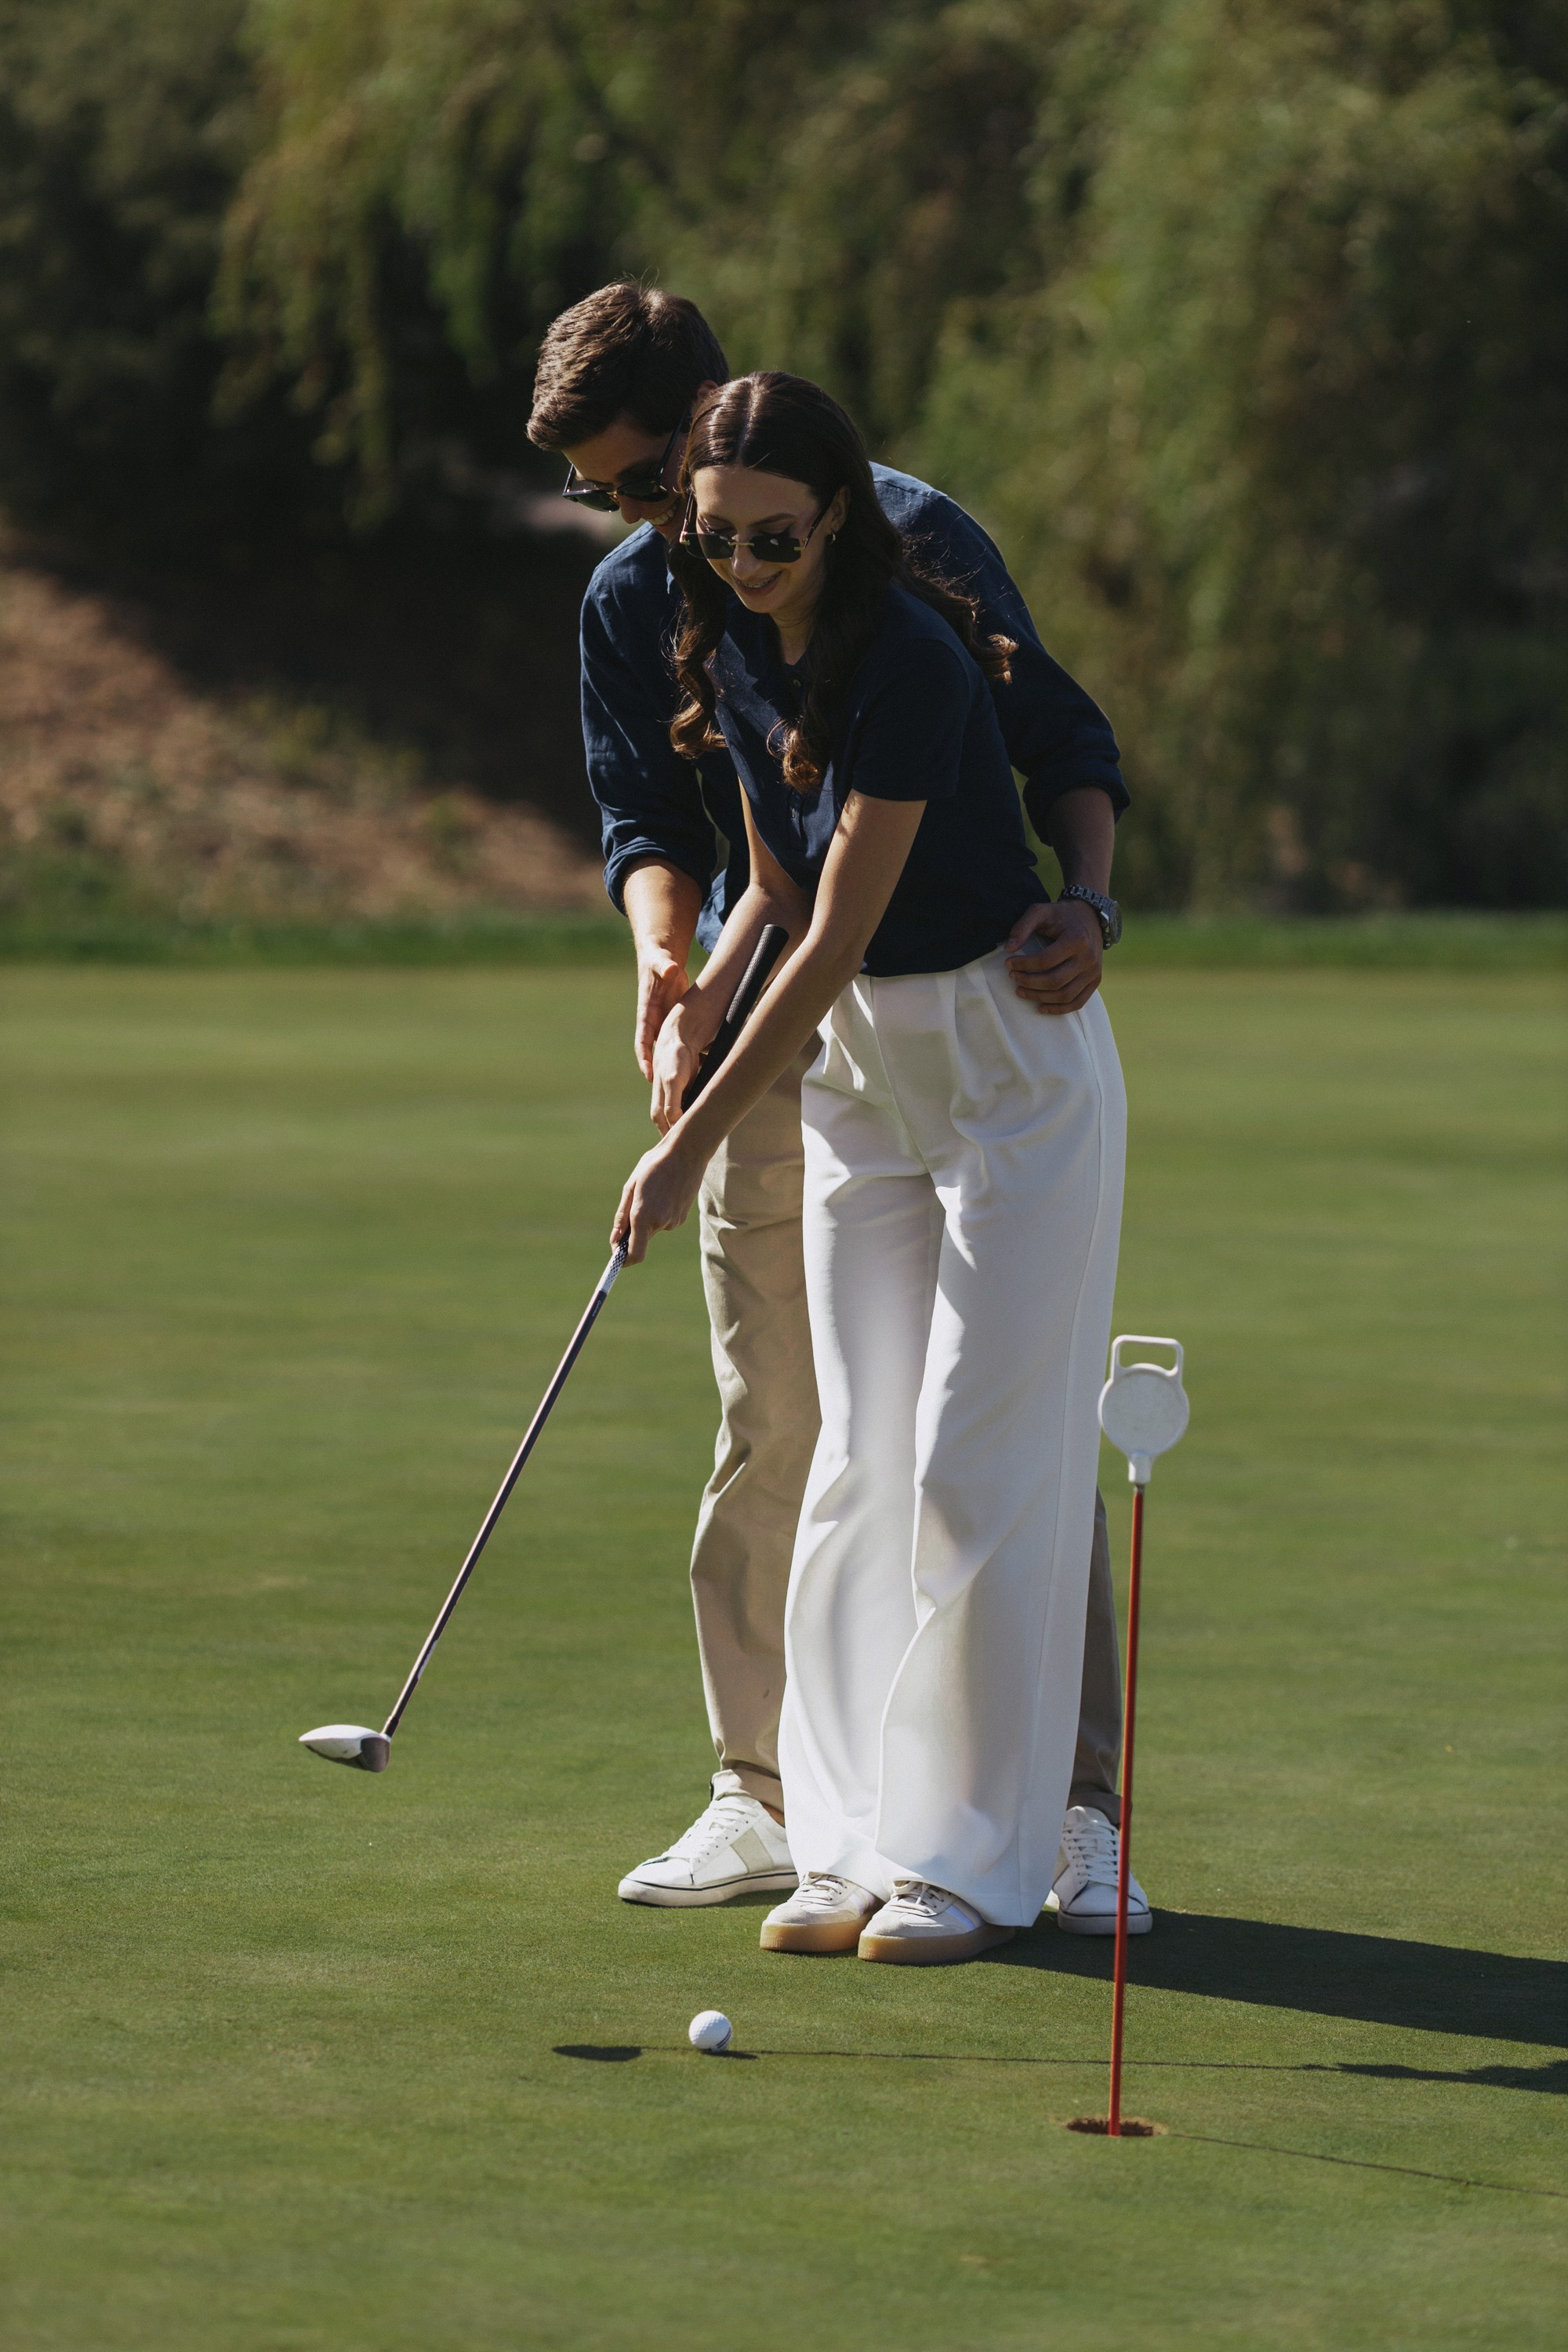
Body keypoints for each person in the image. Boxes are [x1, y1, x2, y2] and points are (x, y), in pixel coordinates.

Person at [528, 285, 1148, 1936]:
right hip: (836, 1052)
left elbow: (920, 856)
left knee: (983, 1450)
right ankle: (819, 1822)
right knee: (830, 1449)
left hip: (978, 1038)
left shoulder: (913, 598)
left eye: (669, 489)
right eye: (634, 502)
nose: (687, 538)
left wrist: (1090, 903)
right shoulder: (690, 616)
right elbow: (711, 853)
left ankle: (1028, 1829)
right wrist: (679, 975)